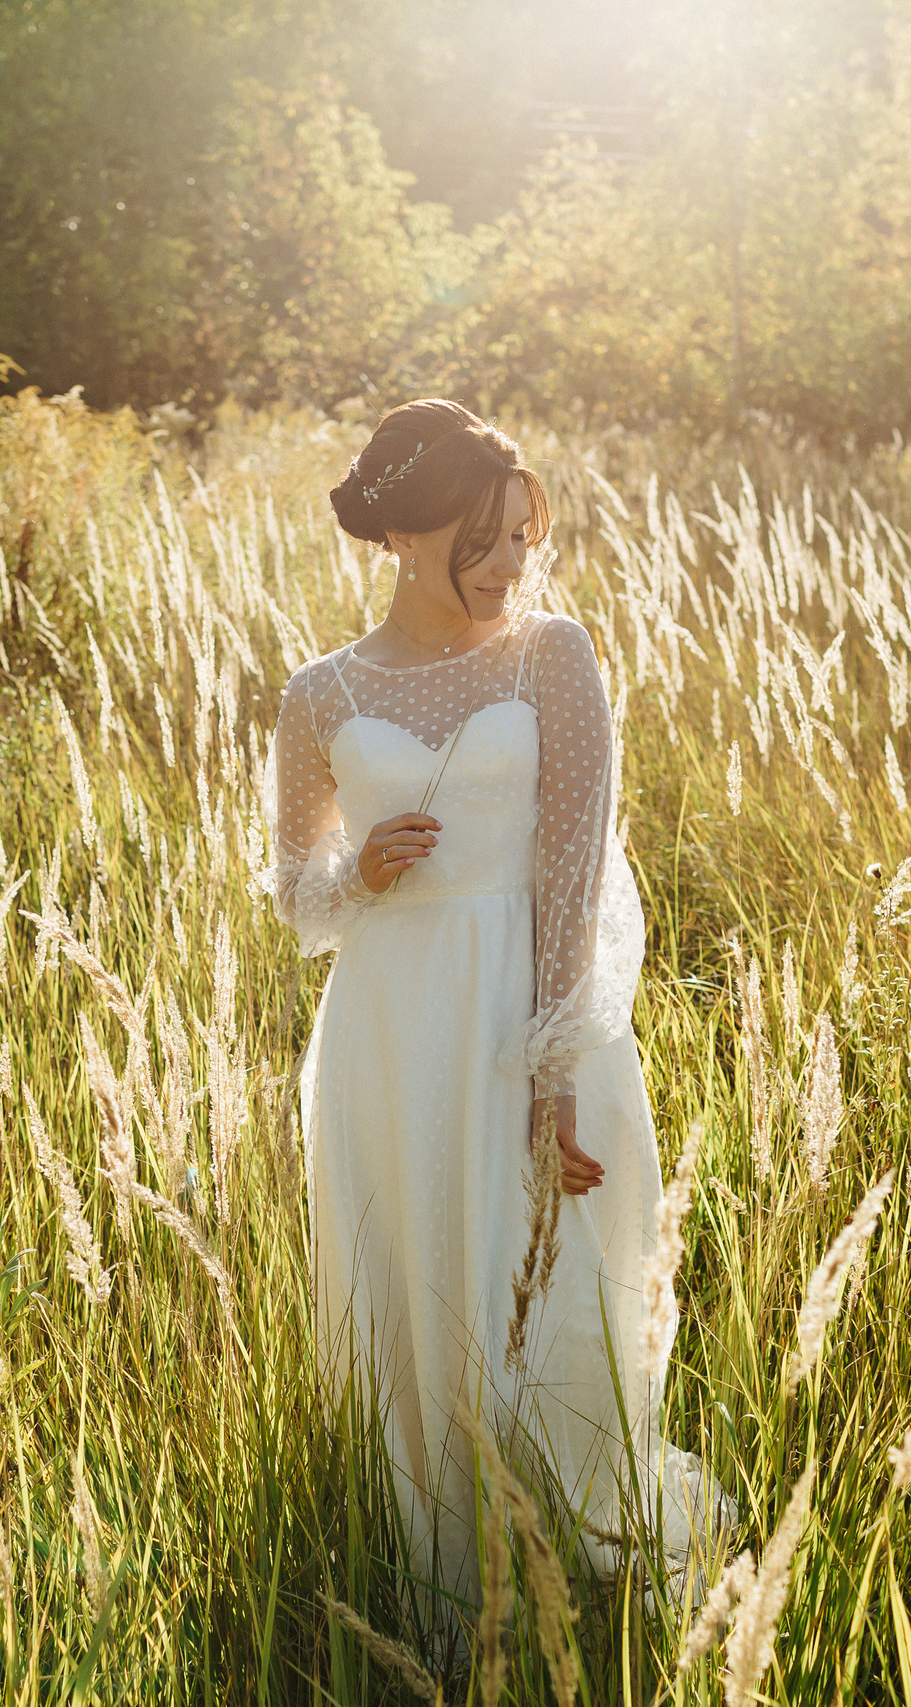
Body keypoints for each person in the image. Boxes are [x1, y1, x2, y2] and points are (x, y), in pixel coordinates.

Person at [266, 399, 728, 1625]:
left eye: (526, 536)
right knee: (413, 1273)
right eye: (488, 539)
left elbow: (574, 870)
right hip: (387, 1023)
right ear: (407, 541)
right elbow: (297, 898)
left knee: (539, 1276)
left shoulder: (552, 656)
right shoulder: (318, 694)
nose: (516, 563)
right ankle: (440, 1584)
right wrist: (356, 874)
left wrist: (555, 1064)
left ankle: (570, 1563)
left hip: (525, 1011)